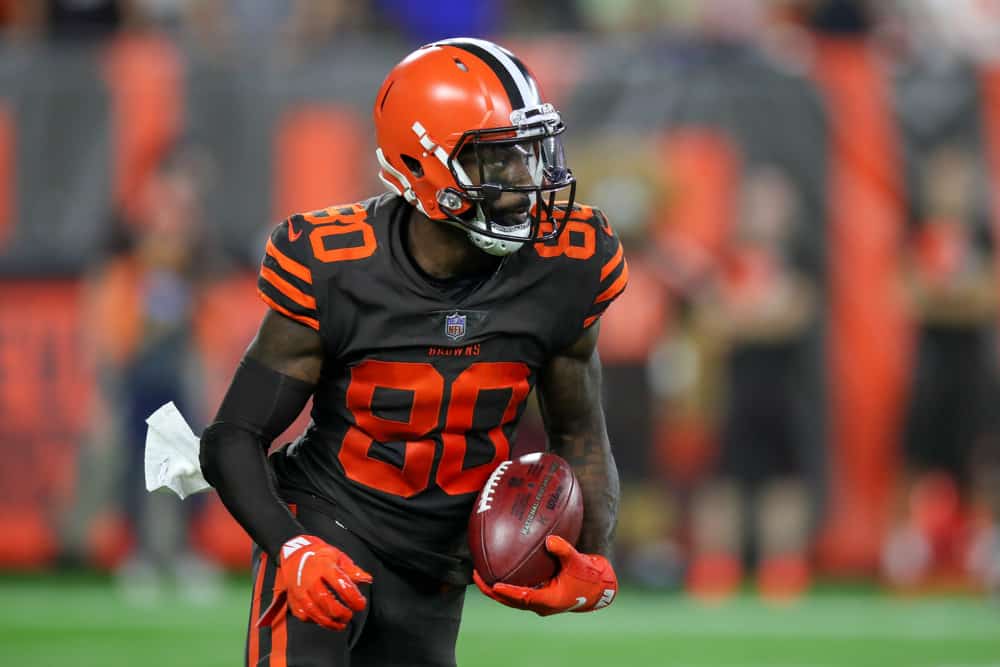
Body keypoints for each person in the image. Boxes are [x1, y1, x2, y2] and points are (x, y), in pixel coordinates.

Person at [199, 38, 626, 666]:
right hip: (332, 527)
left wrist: (595, 558)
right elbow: (232, 436)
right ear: (424, 166)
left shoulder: (568, 264)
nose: (526, 184)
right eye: (498, 161)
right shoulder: (336, 265)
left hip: (438, 566)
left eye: (530, 155)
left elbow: (581, 434)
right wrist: (291, 547)